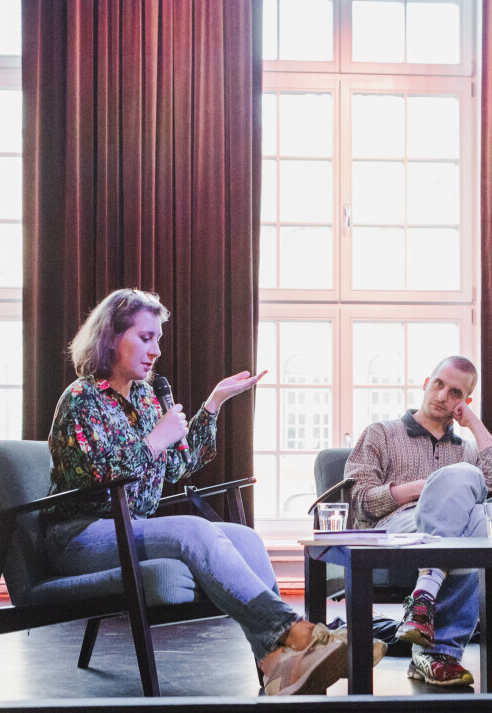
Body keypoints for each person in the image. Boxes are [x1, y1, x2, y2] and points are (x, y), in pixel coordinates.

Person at [44, 288, 364, 696]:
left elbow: (178, 466)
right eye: (146, 337)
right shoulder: (81, 399)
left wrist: (213, 404)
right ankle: (295, 632)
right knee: (191, 529)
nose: (156, 350)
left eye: (158, 339)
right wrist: (154, 442)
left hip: (130, 528)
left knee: (246, 538)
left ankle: (276, 663)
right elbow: (95, 479)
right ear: (111, 337)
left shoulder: (144, 398)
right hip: (79, 536)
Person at [344, 355, 492, 687]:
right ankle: (440, 652)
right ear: (427, 383)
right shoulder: (381, 433)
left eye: (455, 393)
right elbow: (360, 500)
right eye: (438, 384)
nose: (442, 396)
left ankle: (424, 600)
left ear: (464, 403)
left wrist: (474, 424)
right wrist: (424, 488)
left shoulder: (467, 449)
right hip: (396, 527)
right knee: (471, 505)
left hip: (453, 534)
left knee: (478, 515)